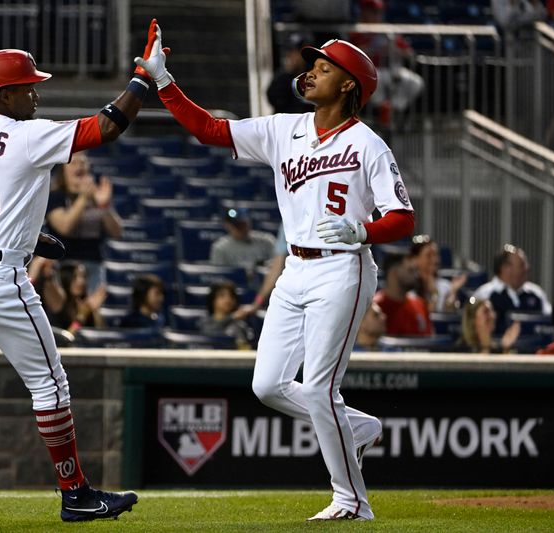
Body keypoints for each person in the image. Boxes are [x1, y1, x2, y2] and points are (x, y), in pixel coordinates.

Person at [135, 26, 415, 520]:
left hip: (342, 270)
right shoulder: (284, 129)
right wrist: (163, 81)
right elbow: (211, 131)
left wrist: (364, 232)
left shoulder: (368, 144)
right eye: (313, 65)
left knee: (321, 386)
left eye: (324, 68)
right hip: (294, 269)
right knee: (267, 386)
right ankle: (359, 428)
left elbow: (403, 217)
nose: (310, 73)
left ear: (349, 85)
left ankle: (351, 502)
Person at [0, 21, 160, 523]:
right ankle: (76, 494)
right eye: (28, 87)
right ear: (4, 92)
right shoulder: (24, 135)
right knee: (51, 385)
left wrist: (20, 231)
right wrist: (142, 80)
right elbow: (107, 126)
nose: (36, 94)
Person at [45, 152, 123, 291]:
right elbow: (64, 227)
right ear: (63, 170)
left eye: (83, 162)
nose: (79, 166)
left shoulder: (96, 196)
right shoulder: (55, 196)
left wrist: (103, 205)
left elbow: (117, 232)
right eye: (74, 163)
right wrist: (83, 198)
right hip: (64, 264)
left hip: (93, 263)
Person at [349, 0, 424, 128]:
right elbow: (351, 54)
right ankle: (383, 108)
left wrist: (395, 48)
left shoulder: (387, 31)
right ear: (363, 11)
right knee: (376, 77)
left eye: (378, 11)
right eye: (372, 11)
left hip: (391, 69)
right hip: (367, 71)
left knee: (415, 82)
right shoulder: (356, 30)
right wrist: (371, 48)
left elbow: (409, 53)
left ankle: (394, 109)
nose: (376, 14)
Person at [472, 244, 551, 336]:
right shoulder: (484, 294)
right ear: (506, 268)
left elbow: (549, 321)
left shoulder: (536, 293)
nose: (527, 268)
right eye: (522, 265)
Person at [374, 252, 432, 336]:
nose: (416, 275)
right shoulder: (376, 307)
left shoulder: (420, 304)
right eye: (410, 270)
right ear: (394, 273)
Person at [409, 234, 466, 312]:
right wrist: (434, 294)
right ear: (415, 259)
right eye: (429, 255)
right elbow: (423, 318)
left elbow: (450, 314)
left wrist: (452, 291)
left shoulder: (445, 286)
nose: (434, 260)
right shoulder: (408, 287)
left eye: (436, 255)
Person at [209, 207, 275, 271]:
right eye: (237, 225)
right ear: (227, 225)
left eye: (243, 224)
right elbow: (219, 279)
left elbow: (280, 265)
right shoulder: (220, 248)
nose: (241, 228)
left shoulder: (267, 242)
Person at [51, 261, 107, 333]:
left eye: (84, 276)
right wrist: (81, 317)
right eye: (75, 277)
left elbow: (99, 333)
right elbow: (65, 340)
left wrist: (95, 310)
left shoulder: (86, 304)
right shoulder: (57, 307)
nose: (82, 281)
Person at [266, 32, 315, 114]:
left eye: (295, 52)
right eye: (289, 51)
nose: (290, 56)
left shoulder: (316, 77)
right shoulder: (281, 79)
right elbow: (275, 100)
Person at [199, 280, 255, 350]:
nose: (228, 300)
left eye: (231, 296)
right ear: (213, 300)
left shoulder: (240, 326)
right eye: (222, 296)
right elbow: (209, 333)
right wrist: (232, 317)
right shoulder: (205, 322)